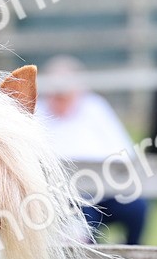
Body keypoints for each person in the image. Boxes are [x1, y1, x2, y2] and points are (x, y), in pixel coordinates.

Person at [35, 56, 148, 246]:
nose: (61, 97)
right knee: (84, 218)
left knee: (137, 207)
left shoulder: (95, 108)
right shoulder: (38, 112)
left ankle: (135, 258)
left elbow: (125, 151)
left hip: (105, 190)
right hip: (64, 198)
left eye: (66, 92)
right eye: (56, 92)